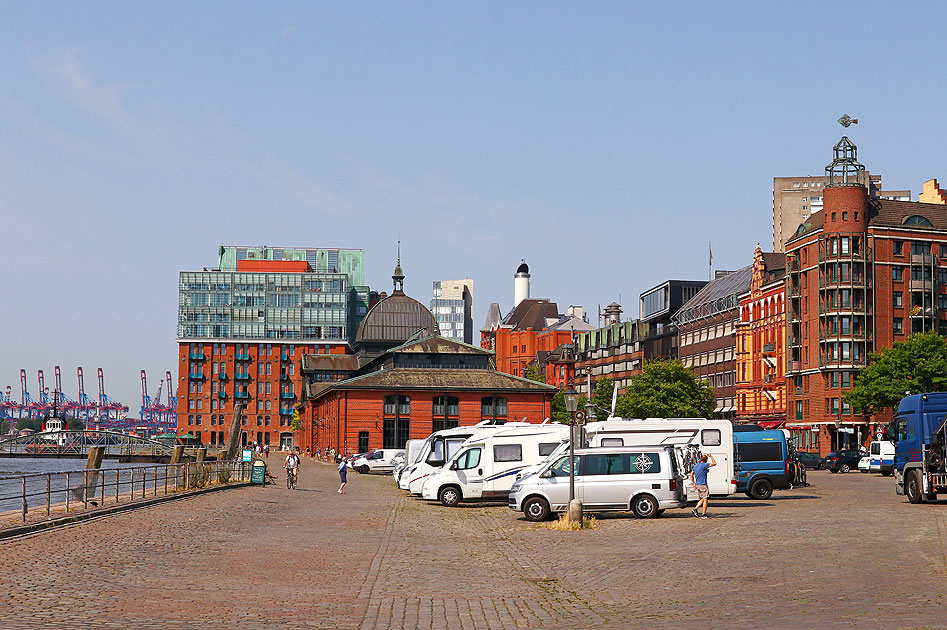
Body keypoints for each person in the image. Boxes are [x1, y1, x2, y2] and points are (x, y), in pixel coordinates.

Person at [690, 453, 716, 519]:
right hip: (703, 484)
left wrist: (694, 483)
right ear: (706, 460)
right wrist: (711, 456)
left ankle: (695, 509)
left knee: (703, 498)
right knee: (706, 499)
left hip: (698, 484)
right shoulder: (705, 465)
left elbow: (691, 474)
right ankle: (704, 514)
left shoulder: (696, 466)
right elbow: (714, 463)